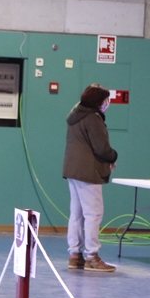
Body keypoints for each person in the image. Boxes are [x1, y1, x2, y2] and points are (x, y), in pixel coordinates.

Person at [63, 84, 119, 272]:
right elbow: (102, 148)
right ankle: (92, 256)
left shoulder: (75, 115)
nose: (107, 103)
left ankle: (74, 255)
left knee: (76, 214)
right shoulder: (93, 118)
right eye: (105, 100)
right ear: (99, 101)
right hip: (88, 172)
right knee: (93, 214)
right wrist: (113, 156)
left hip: (73, 169)